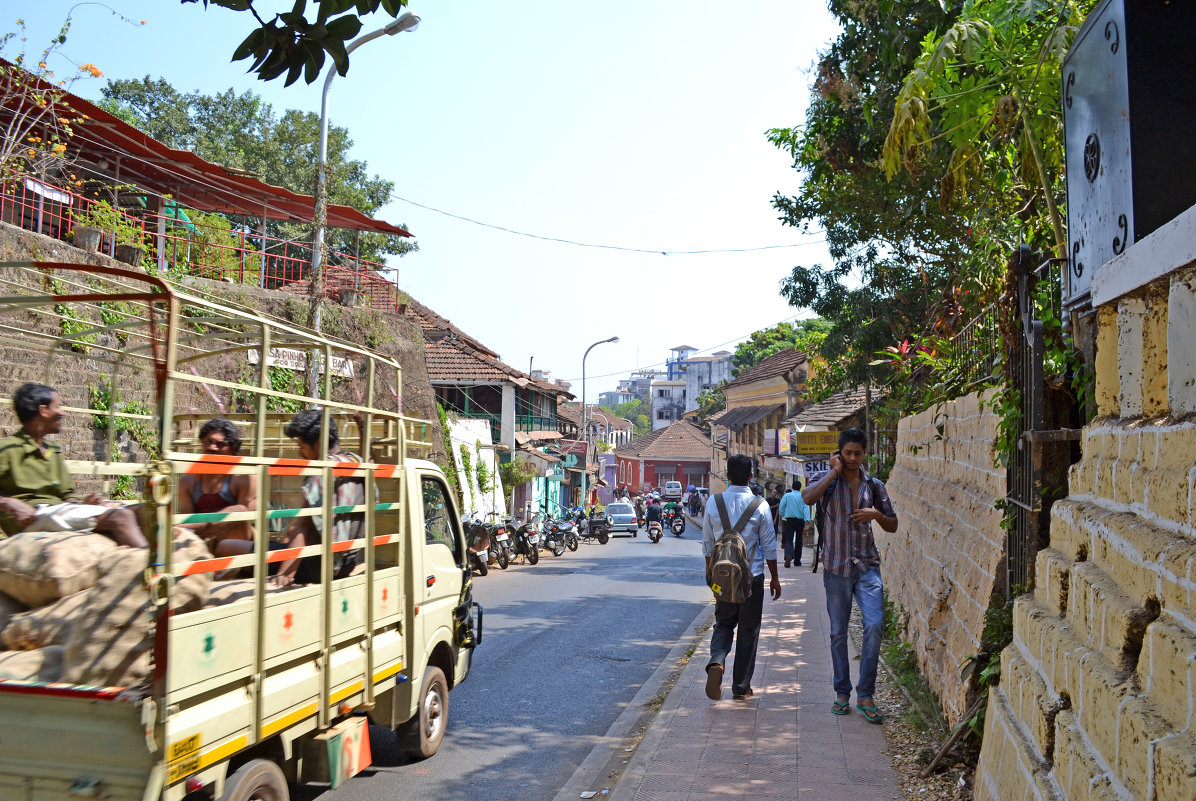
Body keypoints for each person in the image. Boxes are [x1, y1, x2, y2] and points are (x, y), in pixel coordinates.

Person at [802, 428, 898, 724]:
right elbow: (807, 498)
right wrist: (834, 472)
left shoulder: (875, 486)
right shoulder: (826, 482)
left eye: (858, 453)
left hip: (866, 566)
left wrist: (876, 516)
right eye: (848, 453)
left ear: (865, 453)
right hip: (836, 568)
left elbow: (892, 524)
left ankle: (866, 694)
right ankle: (842, 692)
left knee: (874, 625)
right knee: (838, 632)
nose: (853, 458)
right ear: (839, 453)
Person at [0, 383, 146, 547]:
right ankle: (153, 570)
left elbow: (67, 496)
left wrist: (83, 504)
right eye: (58, 407)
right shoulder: (7, 449)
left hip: (57, 512)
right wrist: (10, 504)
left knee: (142, 511)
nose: (63, 412)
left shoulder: (52, 450)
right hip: (32, 518)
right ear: (43, 411)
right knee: (122, 517)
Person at [702, 454, 781, 701]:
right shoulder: (761, 505)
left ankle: (716, 661)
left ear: (726, 475)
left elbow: (707, 544)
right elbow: (769, 546)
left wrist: (711, 576)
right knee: (748, 630)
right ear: (750, 476)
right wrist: (775, 578)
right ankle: (740, 687)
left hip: (722, 578)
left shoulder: (713, 503)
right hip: (752, 578)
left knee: (723, 623)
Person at [265, 409, 369, 588]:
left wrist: (284, 575)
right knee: (277, 544)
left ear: (318, 444)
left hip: (317, 565)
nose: (300, 453)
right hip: (346, 563)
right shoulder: (356, 461)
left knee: (232, 547)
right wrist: (362, 427)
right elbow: (371, 460)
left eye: (302, 447)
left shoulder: (320, 473)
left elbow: (303, 527)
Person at [177, 418, 257, 554]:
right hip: (199, 544)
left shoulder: (244, 479)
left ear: (232, 450)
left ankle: (171, 529)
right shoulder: (188, 481)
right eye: (208, 442)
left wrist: (178, 527)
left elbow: (245, 524)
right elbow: (187, 521)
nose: (212, 448)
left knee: (240, 511)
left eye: (220, 444)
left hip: (234, 546)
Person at [778, 478, 811, 568]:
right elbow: (806, 508)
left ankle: (788, 555)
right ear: (800, 488)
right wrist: (807, 520)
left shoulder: (787, 496)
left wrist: (784, 514)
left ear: (792, 487)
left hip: (789, 520)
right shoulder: (802, 496)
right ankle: (797, 561)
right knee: (799, 541)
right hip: (800, 521)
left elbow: (781, 507)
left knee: (789, 539)